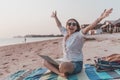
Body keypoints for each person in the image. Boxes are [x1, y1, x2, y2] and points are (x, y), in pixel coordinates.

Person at [43, 8, 113, 78]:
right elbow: (59, 25)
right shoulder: (65, 33)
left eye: (74, 24)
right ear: (67, 26)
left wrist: (101, 18)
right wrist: (55, 17)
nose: (71, 25)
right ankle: (60, 73)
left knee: (63, 66)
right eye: (69, 24)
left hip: (76, 63)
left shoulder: (79, 35)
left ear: (77, 27)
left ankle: (60, 70)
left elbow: (90, 27)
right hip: (64, 60)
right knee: (45, 61)